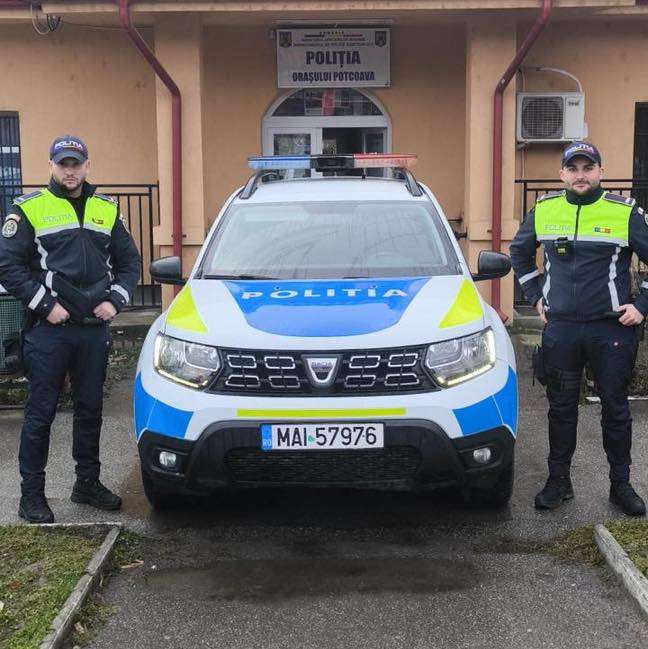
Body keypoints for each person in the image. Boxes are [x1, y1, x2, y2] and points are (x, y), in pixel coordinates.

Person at [0, 135, 140, 524]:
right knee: (40, 413)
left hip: (93, 329)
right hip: (50, 331)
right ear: (51, 166)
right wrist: (46, 306)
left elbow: (130, 264)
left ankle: (87, 484)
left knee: (90, 409)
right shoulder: (29, 208)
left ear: (87, 166)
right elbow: (8, 266)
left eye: (76, 163)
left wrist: (116, 300)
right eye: (63, 163)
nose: (70, 170)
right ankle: (31, 496)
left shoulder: (107, 209)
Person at [510, 141, 648, 517]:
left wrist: (641, 306)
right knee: (561, 409)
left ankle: (621, 484)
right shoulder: (544, 209)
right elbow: (519, 253)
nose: (580, 175)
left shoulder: (625, 212)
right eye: (573, 169)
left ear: (601, 172)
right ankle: (559, 481)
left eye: (588, 168)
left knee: (615, 408)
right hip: (562, 330)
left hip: (611, 330)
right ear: (562, 174)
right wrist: (535, 295)